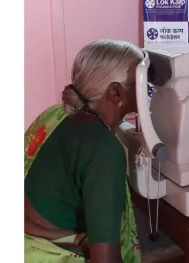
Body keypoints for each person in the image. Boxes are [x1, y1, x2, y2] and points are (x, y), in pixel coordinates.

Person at [24, 39, 144, 263]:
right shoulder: (105, 150)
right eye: (139, 80)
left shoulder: (56, 114)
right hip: (48, 252)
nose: (146, 87)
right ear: (116, 92)